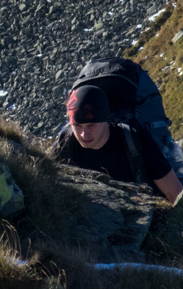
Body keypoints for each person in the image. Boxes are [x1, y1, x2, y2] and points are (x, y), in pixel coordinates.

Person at [53, 85, 183, 204]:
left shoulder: (134, 140)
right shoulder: (66, 143)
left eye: (91, 125)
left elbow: (175, 194)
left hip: (150, 220)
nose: (83, 134)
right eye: (78, 126)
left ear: (105, 119)